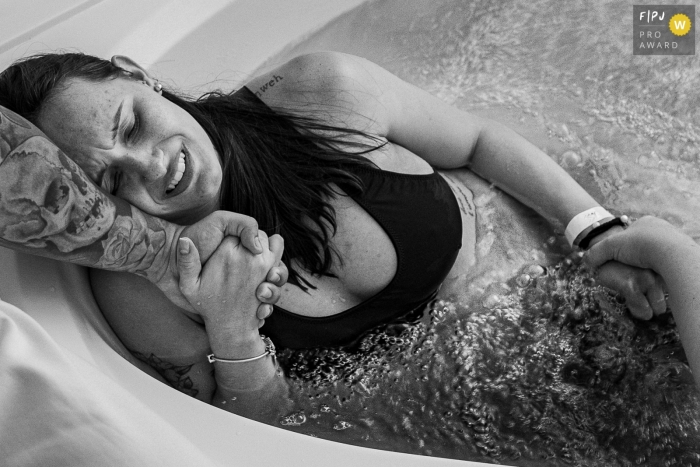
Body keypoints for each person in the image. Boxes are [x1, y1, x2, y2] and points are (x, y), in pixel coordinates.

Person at [0, 51, 670, 421]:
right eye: (111, 184)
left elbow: (481, 140)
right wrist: (231, 329)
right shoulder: (142, 289)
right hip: (501, 406)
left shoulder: (318, 91)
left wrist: (594, 230)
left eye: (131, 123)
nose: (151, 168)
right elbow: (258, 434)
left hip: (576, 277)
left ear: (139, 77)